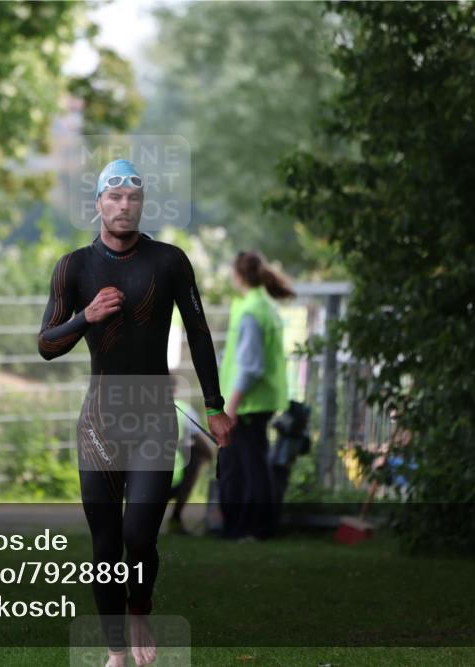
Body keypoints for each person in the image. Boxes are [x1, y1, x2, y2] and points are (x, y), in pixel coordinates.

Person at [38, 159, 233, 667]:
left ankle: (140, 607)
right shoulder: (74, 267)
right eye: (114, 197)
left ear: (141, 205)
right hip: (99, 424)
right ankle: (116, 650)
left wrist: (214, 406)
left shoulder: (169, 261)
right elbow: (45, 345)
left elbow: (199, 333)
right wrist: (86, 316)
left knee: (138, 534)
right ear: (98, 203)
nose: (124, 206)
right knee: (105, 544)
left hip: (152, 417)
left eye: (133, 198)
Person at [218, 250, 295, 541]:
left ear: (237, 276)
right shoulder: (263, 305)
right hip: (257, 402)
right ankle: (249, 528)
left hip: (247, 403)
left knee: (248, 469)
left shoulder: (251, 310)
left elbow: (250, 366)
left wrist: (232, 407)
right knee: (251, 466)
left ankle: (253, 529)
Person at [167, 392, 214, 535]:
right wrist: (210, 457)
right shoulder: (183, 410)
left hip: (134, 478)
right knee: (195, 455)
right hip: (173, 477)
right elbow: (200, 441)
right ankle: (175, 518)